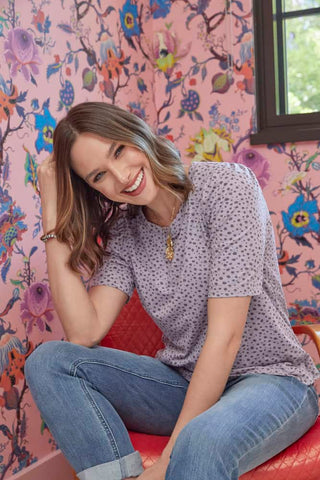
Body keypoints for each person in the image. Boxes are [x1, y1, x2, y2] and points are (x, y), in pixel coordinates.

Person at [25, 101, 319, 480]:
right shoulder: (125, 232)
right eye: (99, 176)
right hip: (181, 382)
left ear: (137, 133)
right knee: (50, 361)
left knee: (199, 441)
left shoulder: (227, 187)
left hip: (271, 380)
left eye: (119, 150)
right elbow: (85, 331)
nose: (121, 176)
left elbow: (225, 337)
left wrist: (167, 460)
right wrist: (52, 206)